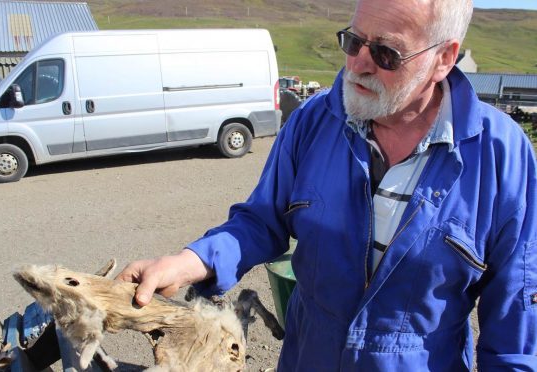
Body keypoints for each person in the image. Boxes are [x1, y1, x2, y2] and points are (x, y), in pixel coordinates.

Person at [117, 0, 537, 369]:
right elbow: (263, 220)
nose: (358, 63)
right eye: (354, 42)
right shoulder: (314, 120)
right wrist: (191, 261)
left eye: (387, 53)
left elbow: (515, 327)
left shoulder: (502, 157)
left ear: (444, 58)